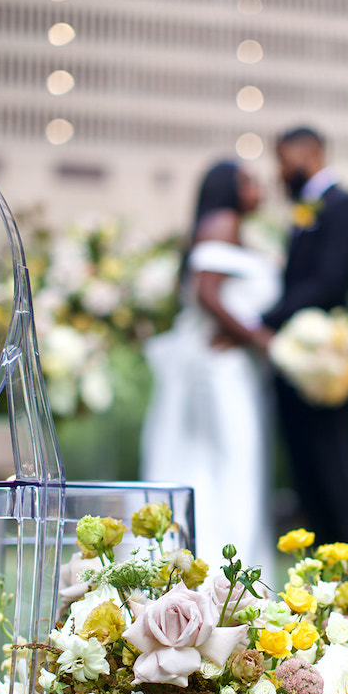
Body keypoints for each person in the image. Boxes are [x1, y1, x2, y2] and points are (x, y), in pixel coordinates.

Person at [140, 160, 280, 579]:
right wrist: (258, 337)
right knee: (237, 470)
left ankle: (217, 574)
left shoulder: (232, 229)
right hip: (221, 373)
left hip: (232, 370)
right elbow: (207, 293)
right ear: (228, 190)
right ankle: (229, 578)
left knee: (223, 470)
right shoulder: (221, 223)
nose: (258, 189)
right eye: (248, 182)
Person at [251, 126, 348, 546]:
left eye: (284, 161)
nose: (280, 172)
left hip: (326, 366)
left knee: (337, 477)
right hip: (294, 366)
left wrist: (265, 317)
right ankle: (327, 590)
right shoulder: (304, 212)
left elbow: (328, 283)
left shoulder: (343, 208)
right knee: (309, 483)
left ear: (310, 154)